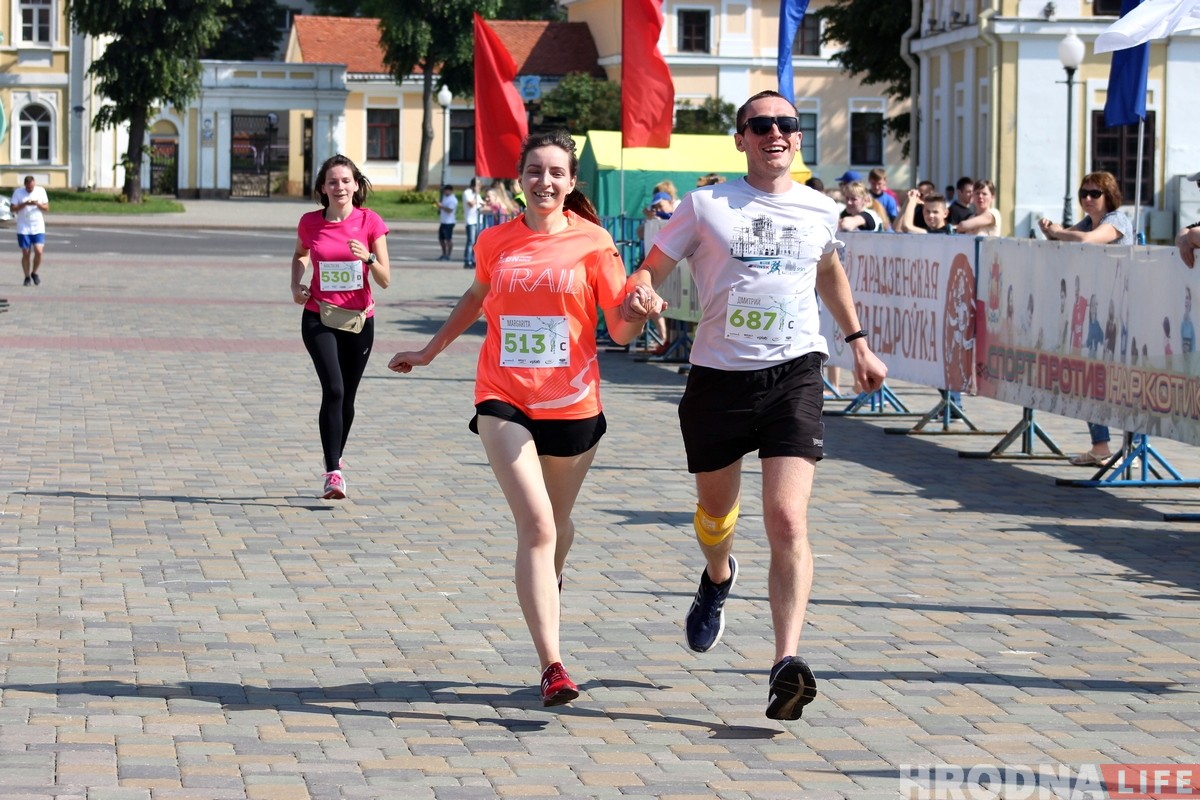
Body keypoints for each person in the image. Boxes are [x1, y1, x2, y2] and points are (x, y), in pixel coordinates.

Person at [623, 90, 887, 721]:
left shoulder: (821, 209)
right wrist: (642, 296)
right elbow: (647, 270)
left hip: (795, 373)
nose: (776, 133)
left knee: (788, 519)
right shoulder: (705, 204)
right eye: (761, 124)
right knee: (717, 516)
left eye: (787, 125)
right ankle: (718, 576)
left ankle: (785, 664)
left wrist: (858, 343)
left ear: (799, 138)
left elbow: (828, 273)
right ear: (740, 138)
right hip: (718, 378)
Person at [387, 130, 664, 708]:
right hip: (503, 396)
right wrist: (428, 351)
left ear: (570, 182)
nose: (545, 182)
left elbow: (618, 327)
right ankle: (553, 666)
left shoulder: (594, 243)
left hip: (573, 403)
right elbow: (475, 299)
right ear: (520, 178)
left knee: (556, 527)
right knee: (536, 526)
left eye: (556, 173)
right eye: (535, 172)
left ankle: (548, 583)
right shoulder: (495, 241)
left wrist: (638, 310)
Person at [290, 154, 391, 499]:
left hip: (359, 319)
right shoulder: (310, 222)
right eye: (332, 181)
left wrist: (369, 258)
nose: (340, 187)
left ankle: (337, 453)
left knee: (347, 396)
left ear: (356, 185)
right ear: (322, 187)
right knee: (333, 389)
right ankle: (333, 471)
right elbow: (301, 255)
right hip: (319, 315)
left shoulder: (370, 221)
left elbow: (386, 279)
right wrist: (295, 283)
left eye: (346, 181)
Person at [1039, 170, 1134, 467]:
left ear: (1109, 196)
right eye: (1084, 194)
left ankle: (1132, 448)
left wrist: (1057, 231)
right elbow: (1070, 238)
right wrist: (1050, 232)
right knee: (1089, 378)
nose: (1088, 199)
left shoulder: (1116, 220)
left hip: (1119, 311)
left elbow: (1088, 240)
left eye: (1095, 194)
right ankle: (1100, 446)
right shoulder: (1085, 221)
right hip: (1093, 311)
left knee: (1124, 383)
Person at [12, 175, 49, 286]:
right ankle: (27, 276)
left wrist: (37, 204)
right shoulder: (18, 192)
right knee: (26, 253)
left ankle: (34, 272)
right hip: (23, 227)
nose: (30, 189)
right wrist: (24, 204)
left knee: (39, 251)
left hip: (38, 226)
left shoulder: (40, 191)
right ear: (25, 185)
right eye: (28, 188)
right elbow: (12, 208)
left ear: (34, 184)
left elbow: (47, 208)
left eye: (32, 187)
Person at [462, 177, 481, 269]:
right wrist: (476, 195)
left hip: (478, 220)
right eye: (478, 185)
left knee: (477, 242)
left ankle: (474, 260)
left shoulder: (478, 195)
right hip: (470, 221)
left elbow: (482, 204)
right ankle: (467, 260)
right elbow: (471, 204)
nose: (479, 187)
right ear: (474, 185)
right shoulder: (467, 193)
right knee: (471, 241)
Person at [436, 184, 458, 261]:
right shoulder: (445, 197)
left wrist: (441, 206)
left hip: (449, 222)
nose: (445, 192)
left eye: (446, 190)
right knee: (441, 239)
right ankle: (444, 254)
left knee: (448, 239)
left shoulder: (453, 199)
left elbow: (450, 210)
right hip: (443, 221)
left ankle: (448, 255)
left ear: (450, 191)